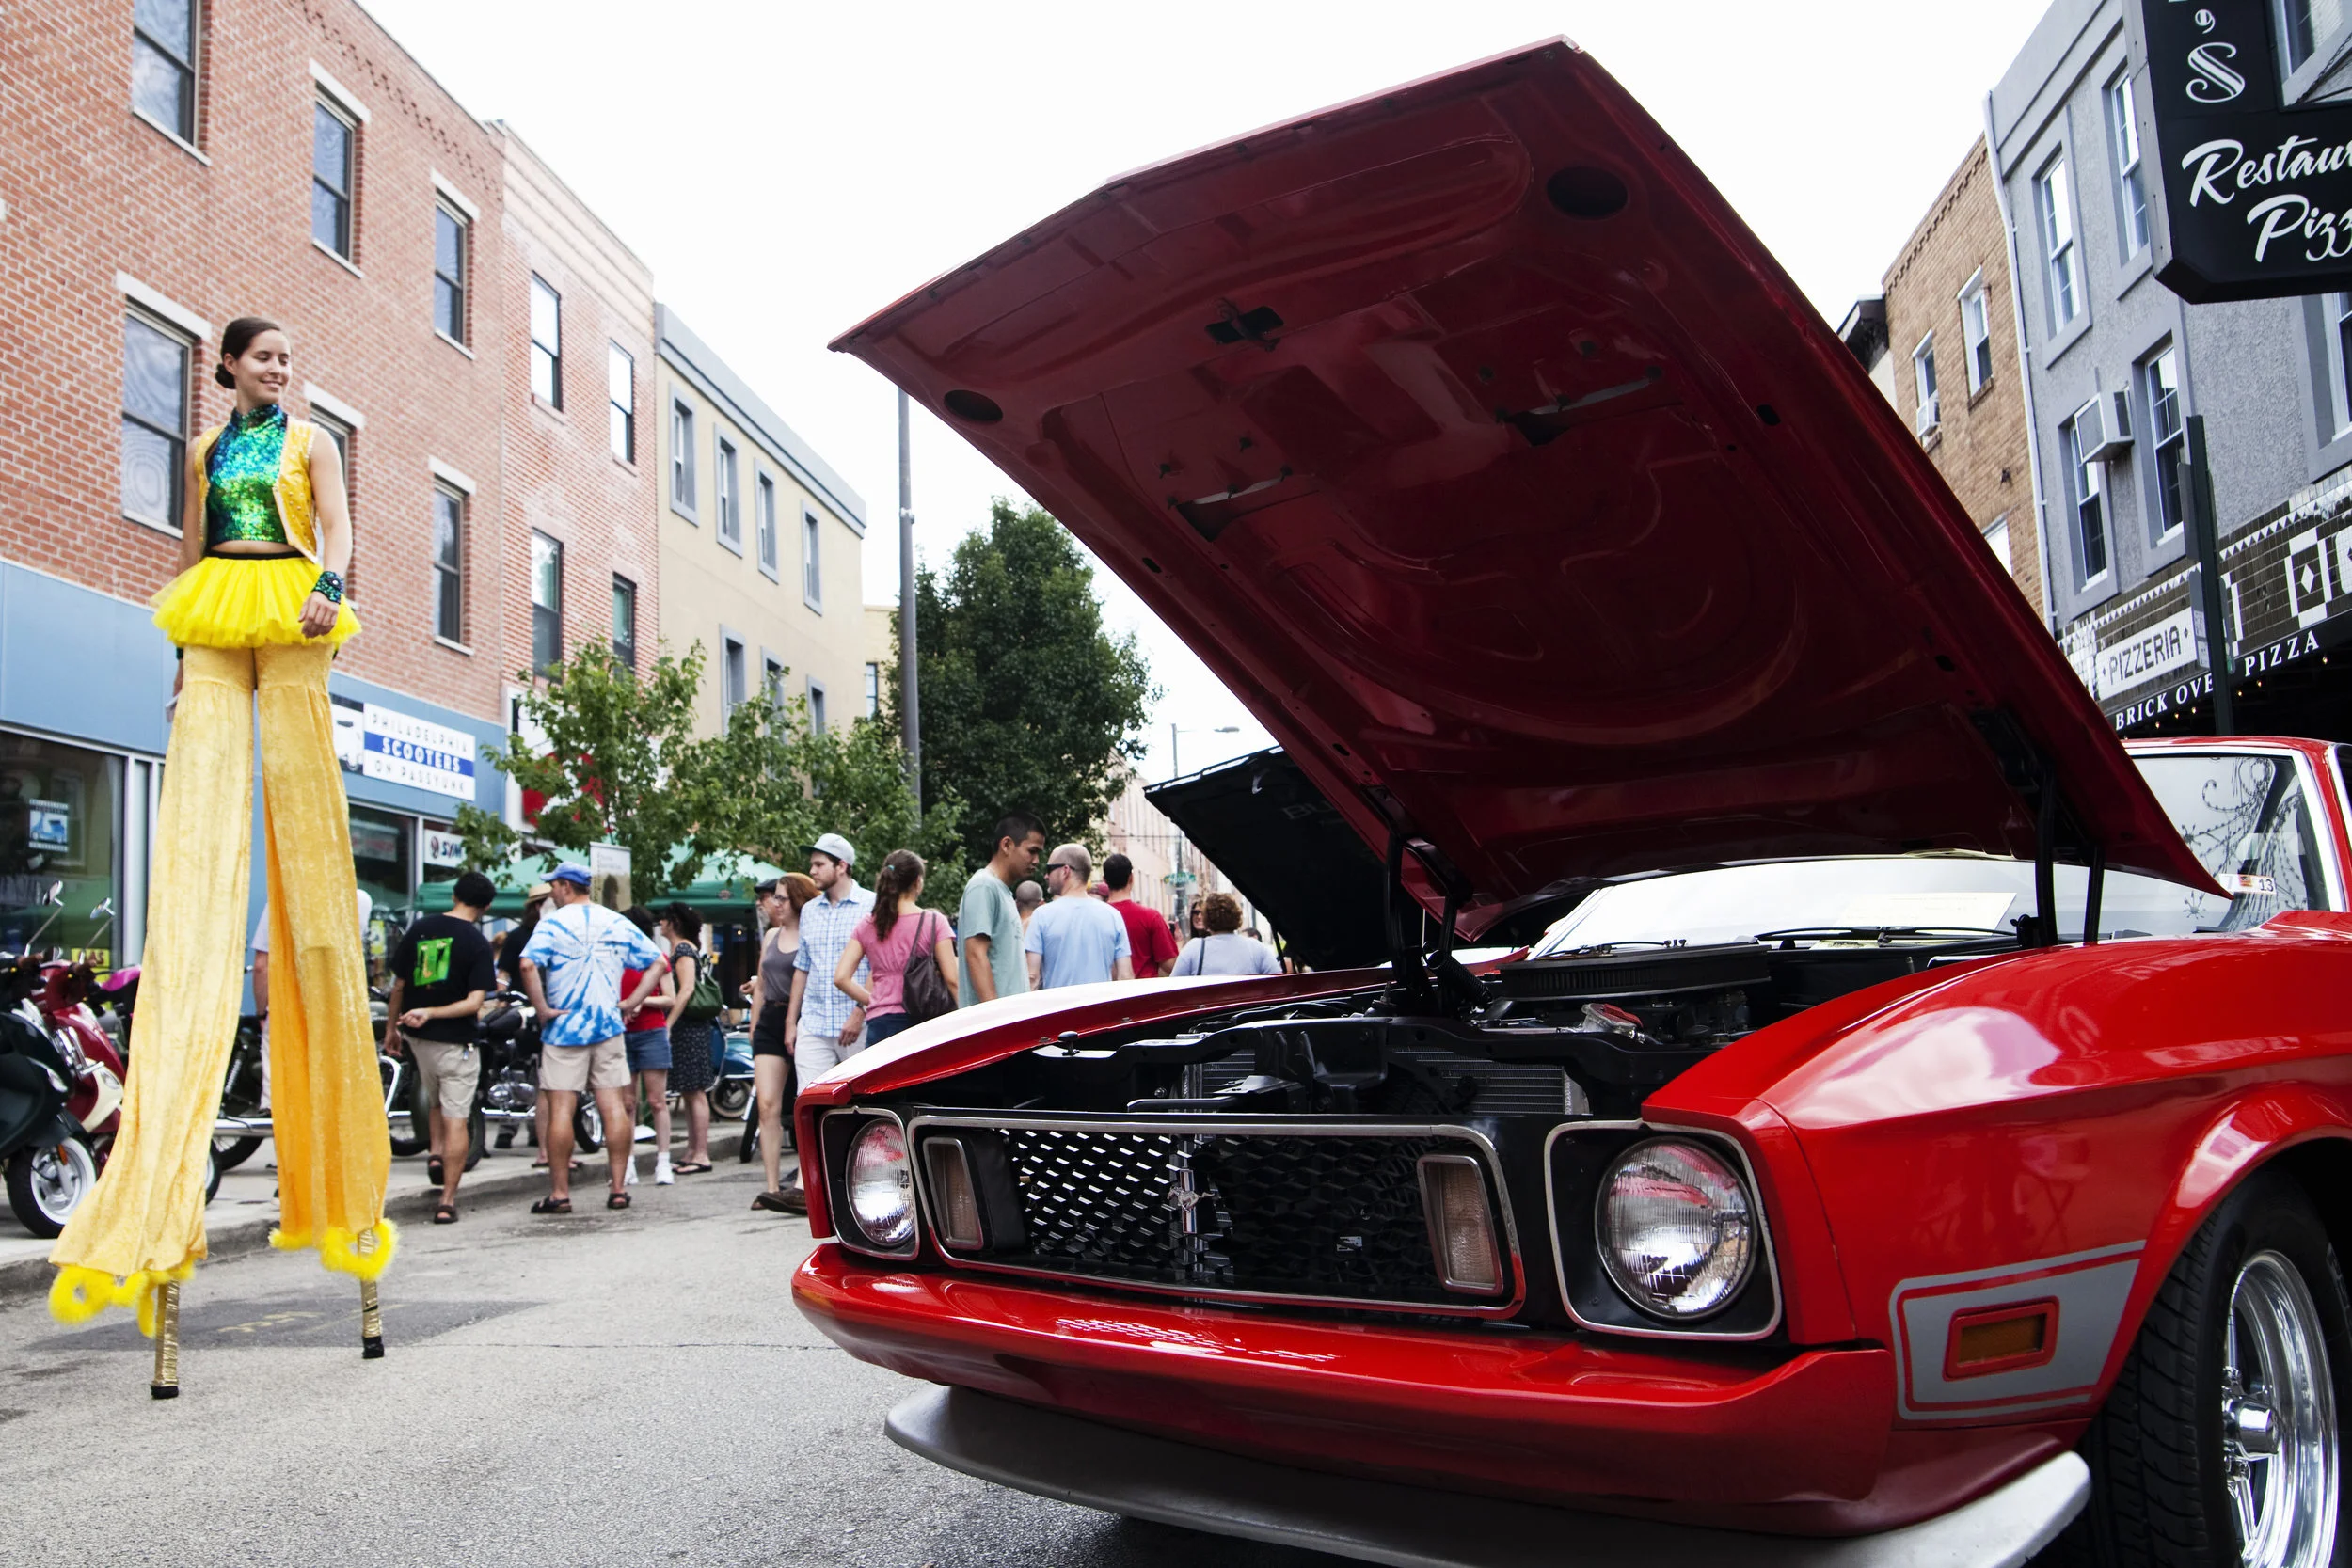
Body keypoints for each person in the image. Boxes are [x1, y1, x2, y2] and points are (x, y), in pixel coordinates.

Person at [50, 317, 391, 1387]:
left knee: (298, 791)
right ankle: (153, 1195)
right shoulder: (207, 450)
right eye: (267, 358)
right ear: (230, 365)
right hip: (214, 609)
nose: (283, 369)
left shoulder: (310, 443)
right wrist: (180, 663)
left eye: (293, 357)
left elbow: (336, 528)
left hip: (290, 598)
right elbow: (194, 551)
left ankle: (341, 1179)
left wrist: (328, 594)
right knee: (198, 819)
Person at [519, 864, 661, 1213]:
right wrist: (631, 1002)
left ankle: (560, 1194)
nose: (552, 892)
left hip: (564, 1027)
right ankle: (617, 1189)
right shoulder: (614, 921)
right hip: (608, 1026)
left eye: (554, 886)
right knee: (613, 1106)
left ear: (566, 887)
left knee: (562, 1111)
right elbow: (658, 962)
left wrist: (542, 1008)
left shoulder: (551, 923)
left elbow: (526, 965)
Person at [382, 873, 496, 1224]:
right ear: (486, 906)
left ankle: (435, 1153)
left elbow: (398, 986)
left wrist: (391, 1028)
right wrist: (433, 1011)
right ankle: (447, 1200)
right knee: (456, 1117)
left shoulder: (420, 929)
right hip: (455, 1042)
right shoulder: (477, 943)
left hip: (418, 1039)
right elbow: (475, 1002)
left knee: (434, 1100)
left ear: (454, 896)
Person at [248, 884, 373, 1117]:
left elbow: (261, 966)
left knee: (280, 1070)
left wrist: (261, 1012)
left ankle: (274, 1110)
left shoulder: (281, 900)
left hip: (291, 1003)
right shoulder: (360, 899)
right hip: (339, 1004)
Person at [747, 873, 818, 1209]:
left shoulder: (811, 933)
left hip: (805, 1019)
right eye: (774, 898)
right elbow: (761, 982)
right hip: (771, 1020)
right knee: (767, 1105)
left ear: (798, 901)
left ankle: (808, 1183)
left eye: (781, 898)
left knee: (803, 1104)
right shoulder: (772, 936)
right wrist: (754, 1022)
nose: (775, 904)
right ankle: (772, 1186)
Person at [834, 850, 956, 1047]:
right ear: (918, 882)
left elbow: (841, 978)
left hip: (879, 1023)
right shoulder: (934, 922)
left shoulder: (868, 924)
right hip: (920, 1020)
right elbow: (952, 979)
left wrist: (875, 999)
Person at [958, 812, 1043, 1007]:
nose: (1036, 860)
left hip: (1009, 1022)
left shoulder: (1001, 890)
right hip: (994, 1026)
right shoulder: (984, 886)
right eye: (1032, 851)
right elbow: (976, 954)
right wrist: (996, 1019)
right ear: (1006, 845)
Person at [656, 904, 717, 1176]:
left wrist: (668, 1023)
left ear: (673, 922)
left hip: (689, 1027)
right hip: (692, 1027)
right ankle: (694, 1150)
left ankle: (701, 1152)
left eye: (664, 919)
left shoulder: (682, 950)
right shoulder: (687, 948)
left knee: (695, 1092)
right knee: (691, 1090)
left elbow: (687, 988)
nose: (660, 923)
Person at [1025, 844, 1133, 989]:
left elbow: (1032, 977)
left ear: (1065, 871)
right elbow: (1126, 976)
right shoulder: (1112, 916)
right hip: (1099, 1008)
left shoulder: (1042, 915)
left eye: (1049, 869)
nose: (1046, 875)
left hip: (1059, 1009)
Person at [617, 906, 674, 1186]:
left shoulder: (656, 958)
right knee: (627, 1102)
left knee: (657, 1101)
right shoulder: (616, 958)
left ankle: (663, 1161)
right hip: (622, 1032)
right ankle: (626, 1162)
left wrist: (642, 1002)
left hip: (651, 1030)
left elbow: (669, 998)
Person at [1103, 854, 1180, 980]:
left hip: (1109, 993)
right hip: (1145, 992)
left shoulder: (1098, 917)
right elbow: (1170, 965)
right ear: (1131, 878)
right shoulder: (1151, 917)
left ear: (1105, 880)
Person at [1170, 892, 1284, 976]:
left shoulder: (1194, 948)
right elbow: (1278, 980)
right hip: (1248, 1008)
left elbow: (1174, 987)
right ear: (1237, 916)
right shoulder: (1255, 947)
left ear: (1206, 919)